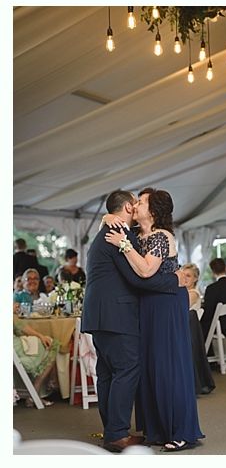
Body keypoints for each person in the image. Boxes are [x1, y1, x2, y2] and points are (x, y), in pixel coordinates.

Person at [81, 190, 184, 453]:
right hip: (117, 316)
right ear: (128, 207)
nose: (138, 205)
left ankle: (112, 431)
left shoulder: (107, 229)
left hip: (99, 315)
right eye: (135, 202)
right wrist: (176, 280)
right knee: (126, 371)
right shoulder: (119, 233)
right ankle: (117, 434)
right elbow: (139, 278)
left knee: (107, 374)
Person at [104, 188, 204, 451]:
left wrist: (123, 245)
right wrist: (106, 219)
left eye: (142, 201)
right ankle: (157, 429)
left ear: (155, 211)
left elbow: (147, 270)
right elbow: (113, 223)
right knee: (150, 366)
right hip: (146, 306)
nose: (135, 205)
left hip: (167, 306)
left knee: (168, 366)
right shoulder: (137, 235)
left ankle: (181, 430)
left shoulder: (162, 237)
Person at [180, 263, 215, 396]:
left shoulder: (193, 294)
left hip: (189, 336)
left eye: (188, 276)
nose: (185, 278)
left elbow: (181, 306)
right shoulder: (182, 291)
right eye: (183, 275)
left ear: (195, 279)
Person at [13, 315, 60, 406]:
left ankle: (41, 389)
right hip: (16, 352)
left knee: (45, 344)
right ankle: (36, 392)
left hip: (13, 351)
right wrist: (41, 336)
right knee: (52, 344)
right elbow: (22, 327)